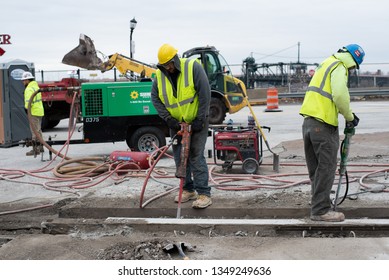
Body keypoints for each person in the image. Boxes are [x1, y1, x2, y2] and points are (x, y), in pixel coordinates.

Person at [299, 44, 365, 222]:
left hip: (308, 123)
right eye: (353, 67)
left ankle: (318, 204)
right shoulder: (339, 66)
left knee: (317, 169)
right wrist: (349, 116)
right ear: (352, 60)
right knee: (327, 168)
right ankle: (320, 210)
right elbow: (340, 95)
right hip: (323, 124)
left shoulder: (326, 63)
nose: (351, 70)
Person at [151, 43, 212, 209]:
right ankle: (188, 189)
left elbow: (205, 93)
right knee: (179, 157)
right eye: (165, 66)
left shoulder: (192, 67)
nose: (168, 68)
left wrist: (201, 118)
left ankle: (204, 193)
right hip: (177, 124)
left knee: (195, 155)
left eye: (170, 64)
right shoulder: (159, 76)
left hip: (197, 121)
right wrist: (168, 119)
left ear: (175, 60)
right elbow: (155, 99)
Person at [21, 71, 45, 156]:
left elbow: (28, 103)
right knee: (38, 130)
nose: (23, 82)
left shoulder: (28, 89)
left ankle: (36, 149)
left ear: (27, 80)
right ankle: (41, 147)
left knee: (34, 131)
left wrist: (26, 110)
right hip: (39, 111)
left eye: (23, 80)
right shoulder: (36, 87)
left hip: (33, 112)